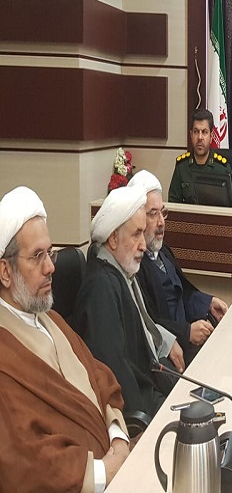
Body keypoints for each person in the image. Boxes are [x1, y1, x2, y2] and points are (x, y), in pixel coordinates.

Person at [0, 186, 130, 492]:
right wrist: (106, 471)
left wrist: (119, 440)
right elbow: (26, 460)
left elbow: (102, 381)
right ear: (5, 272)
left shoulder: (52, 320)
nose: (51, 267)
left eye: (51, 253)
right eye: (37, 256)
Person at [71, 186, 185, 418]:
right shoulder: (101, 288)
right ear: (113, 238)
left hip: (153, 390)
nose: (143, 244)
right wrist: (141, 425)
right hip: (141, 412)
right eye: (136, 234)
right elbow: (117, 374)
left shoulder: (122, 273)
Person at [129, 170, 228, 365]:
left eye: (163, 212)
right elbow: (147, 321)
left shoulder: (163, 251)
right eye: (153, 214)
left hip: (188, 345)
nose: (161, 222)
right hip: (170, 356)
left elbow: (182, 294)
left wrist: (208, 303)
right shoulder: (135, 266)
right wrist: (186, 332)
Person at [168, 108, 232, 204]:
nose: (199, 137)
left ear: (211, 136)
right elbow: (173, 205)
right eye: (196, 132)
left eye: (204, 132)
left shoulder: (222, 169)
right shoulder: (182, 167)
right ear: (191, 135)